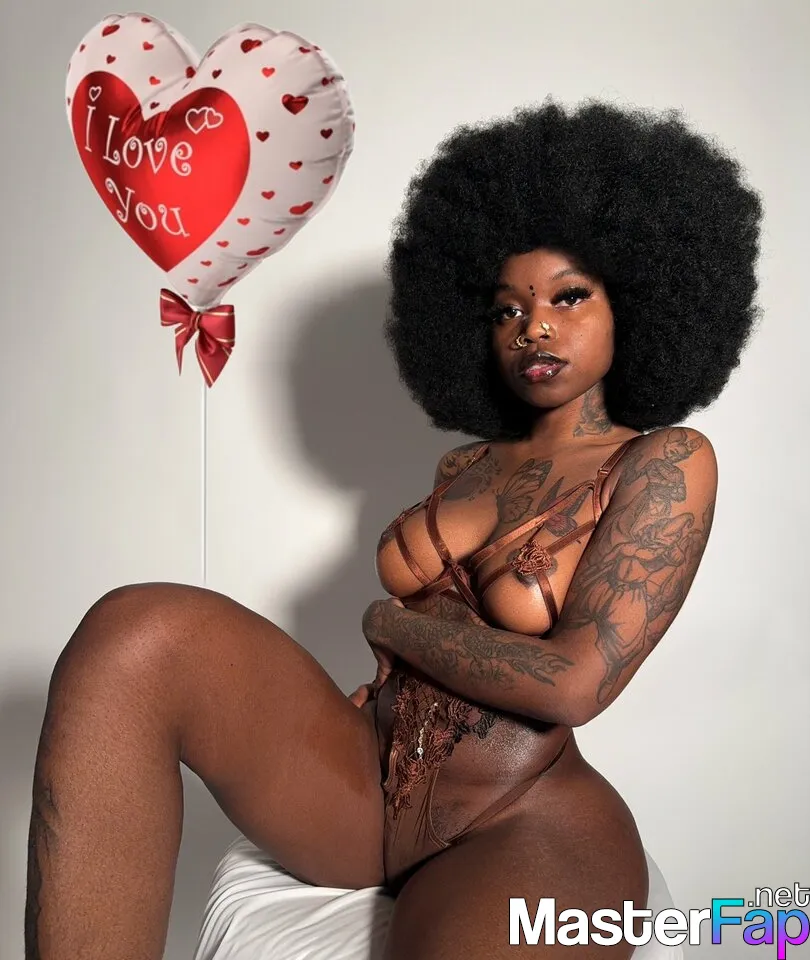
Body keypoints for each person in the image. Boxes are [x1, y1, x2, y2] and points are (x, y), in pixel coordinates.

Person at [25, 97, 762, 959]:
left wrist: (391, 624)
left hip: (517, 817)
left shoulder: (663, 463)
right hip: (368, 783)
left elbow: (575, 684)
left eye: (569, 297)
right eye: (505, 310)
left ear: (636, 304)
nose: (534, 326)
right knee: (134, 634)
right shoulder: (467, 467)